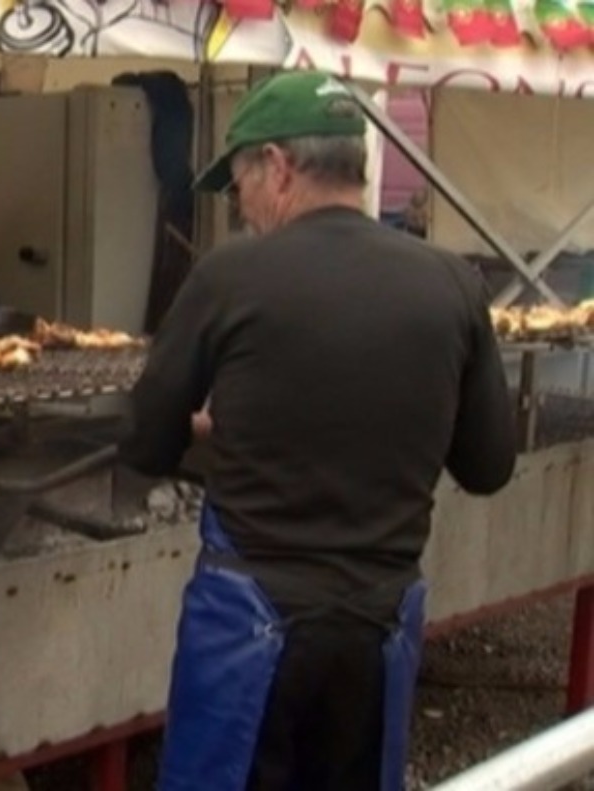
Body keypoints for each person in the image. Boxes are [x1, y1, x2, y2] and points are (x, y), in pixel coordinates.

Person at [121, 72, 516, 791]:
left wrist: (216, 434)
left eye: (238, 185)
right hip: (378, 628)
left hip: (248, 623)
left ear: (277, 165)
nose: (240, 209)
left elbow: (145, 443)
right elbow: (488, 465)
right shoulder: (452, 281)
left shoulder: (229, 276)